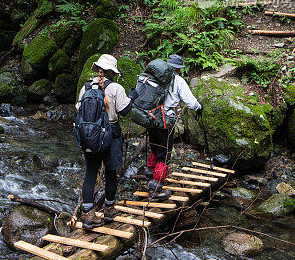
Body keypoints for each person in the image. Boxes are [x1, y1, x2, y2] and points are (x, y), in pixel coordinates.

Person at [76, 54, 132, 230]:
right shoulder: (116, 88)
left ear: (98, 70)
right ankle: (109, 210)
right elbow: (124, 111)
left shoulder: (86, 88)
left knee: (91, 172)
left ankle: (88, 215)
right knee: (110, 172)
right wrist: (133, 97)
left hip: (90, 135)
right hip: (111, 134)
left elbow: (79, 109)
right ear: (111, 72)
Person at [142, 54, 202, 199]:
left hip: (151, 118)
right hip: (165, 121)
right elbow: (190, 101)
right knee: (164, 153)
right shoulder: (178, 80)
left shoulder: (153, 77)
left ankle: (149, 176)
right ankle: (156, 188)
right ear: (178, 69)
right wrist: (199, 107)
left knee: (154, 148)